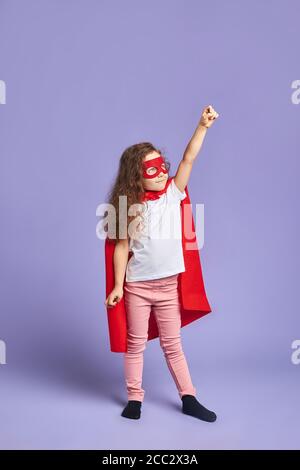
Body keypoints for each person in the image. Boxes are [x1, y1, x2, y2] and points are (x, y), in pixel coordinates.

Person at [104, 105, 219, 421]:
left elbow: (188, 159)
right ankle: (134, 399)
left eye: (161, 166)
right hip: (138, 287)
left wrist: (202, 126)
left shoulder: (172, 193)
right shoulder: (129, 206)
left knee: (173, 345)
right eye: (150, 169)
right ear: (135, 176)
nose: (160, 172)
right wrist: (116, 286)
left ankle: (189, 397)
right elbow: (121, 247)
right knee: (135, 344)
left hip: (169, 288)